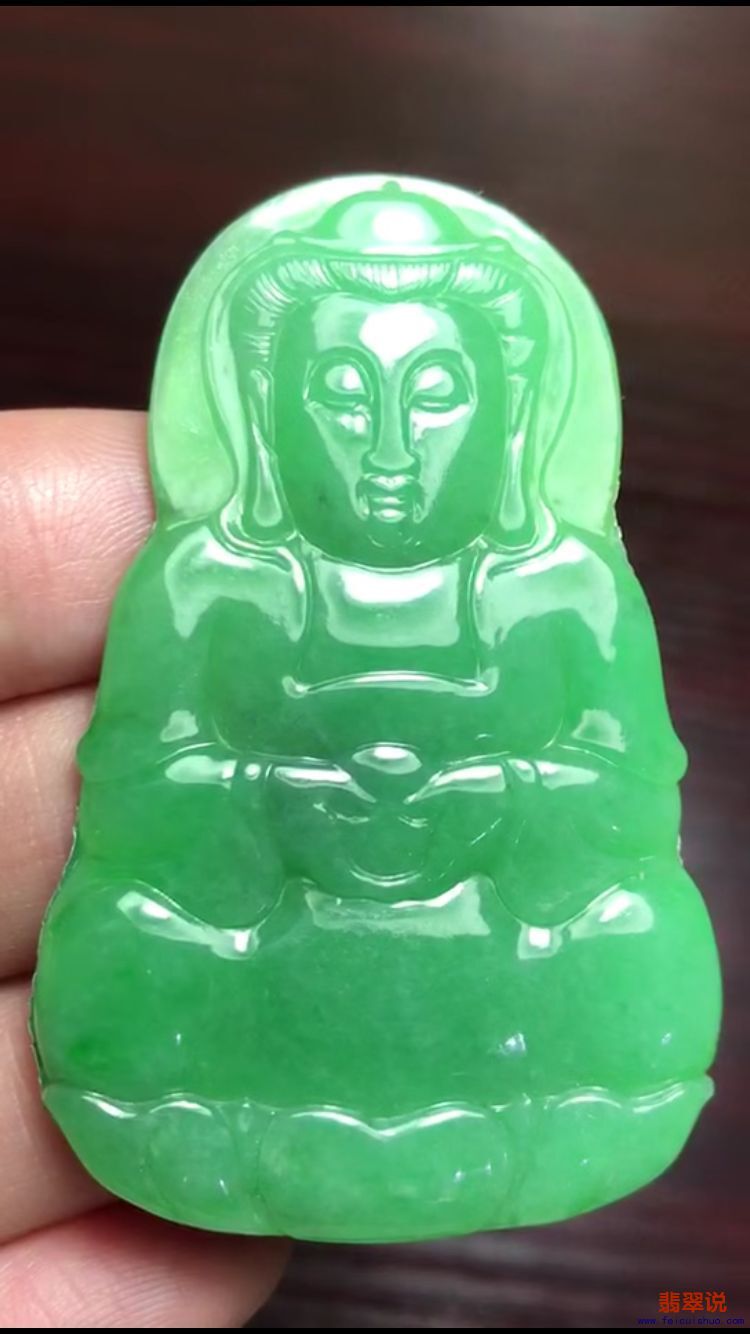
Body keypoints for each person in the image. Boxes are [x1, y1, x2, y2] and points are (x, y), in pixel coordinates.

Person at [0, 408, 287, 1327]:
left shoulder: (560, 587)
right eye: (344, 400)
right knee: (125, 927)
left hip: (474, 914)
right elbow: (139, 779)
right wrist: (280, 786)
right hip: (257, 921)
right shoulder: (203, 574)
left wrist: (481, 795)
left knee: (623, 929)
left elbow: (615, 792)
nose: (391, 452)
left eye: (439, 398)